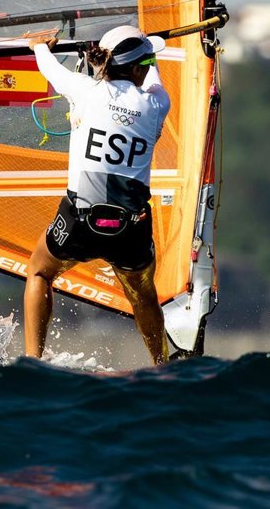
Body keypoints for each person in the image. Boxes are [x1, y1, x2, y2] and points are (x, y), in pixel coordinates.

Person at [23, 25, 171, 365]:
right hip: (131, 228)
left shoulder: (84, 90)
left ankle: (32, 363)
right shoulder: (157, 104)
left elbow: (49, 67)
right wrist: (147, 55)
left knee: (39, 272)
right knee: (143, 296)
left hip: (80, 221)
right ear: (137, 69)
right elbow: (152, 76)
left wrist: (39, 46)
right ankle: (163, 367)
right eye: (147, 62)